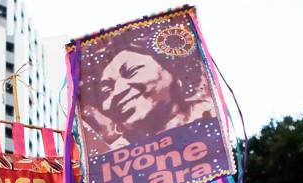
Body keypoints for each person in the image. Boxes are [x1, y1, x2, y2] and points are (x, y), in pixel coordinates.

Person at [80, 33, 216, 151]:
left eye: (131, 71)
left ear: (174, 72)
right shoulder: (115, 159)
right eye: (106, 91)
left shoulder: (213, 119)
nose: (117, 91)